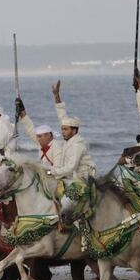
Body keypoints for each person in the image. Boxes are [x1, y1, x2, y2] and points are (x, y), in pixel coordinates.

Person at [48, 80, 95, 212]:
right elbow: (62, 115)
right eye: (62, 129)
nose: (63, 132)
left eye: (66, 129)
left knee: (67, 204)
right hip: (69, 178)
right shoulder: (69, 139)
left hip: (81, 180)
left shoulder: (78, 145)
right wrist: (57, 96)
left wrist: (51, 172)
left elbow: (70, 167)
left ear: (74, 131)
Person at [16, 97, 64, 174]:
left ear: (49, 136)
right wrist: (22, 112)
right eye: (38, 137)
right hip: (47, 176)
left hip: (58, 177)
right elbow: (30, 130)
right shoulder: (42, 144)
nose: (38, 139)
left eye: (40, 136)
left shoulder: (57, 147)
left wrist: (42, 173)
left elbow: (58, 169)